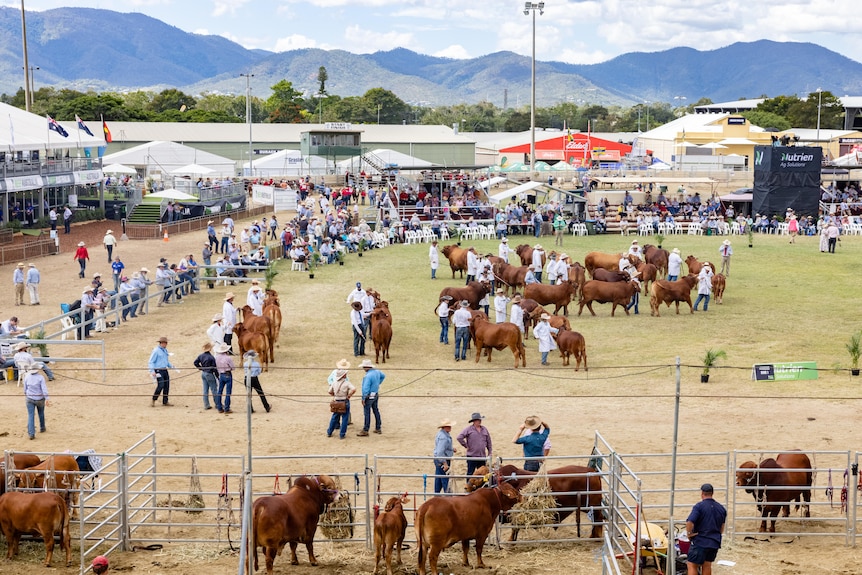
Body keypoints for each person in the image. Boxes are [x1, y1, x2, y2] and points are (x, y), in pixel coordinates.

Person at [685, 483, 727, 575]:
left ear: (702, 493)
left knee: (692, 564)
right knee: (707, 565)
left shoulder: (699, 506)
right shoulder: (721, 508)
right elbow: (722, 527)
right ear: (712, 493)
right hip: (714, 542)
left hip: (701, 540)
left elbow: (690, 522)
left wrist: (689, 534)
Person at [327, 359, 356, 439]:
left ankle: (329, 432)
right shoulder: (346, 383)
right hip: (344, 401)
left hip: (337, 400)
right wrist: (349, 395)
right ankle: (342, 434)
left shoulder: (334, 382)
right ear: (343, 375)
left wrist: (334, 395)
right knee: (345, 418)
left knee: (334, 417)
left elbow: (329, 391)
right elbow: (353, 389)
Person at [357, 359, 384, 436]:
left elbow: (365, 389)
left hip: (369, 396)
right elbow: (383, 376)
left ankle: (366, 429)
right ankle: (378, 427)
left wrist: (363, 398)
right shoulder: (377, 371)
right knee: (376, 410)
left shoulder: (368, 376)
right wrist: (378, 383)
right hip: (375, 393)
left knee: (367, 413)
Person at [23, 361, 50, 440]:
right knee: (41, 413)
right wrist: (47, 398)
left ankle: (31, 433)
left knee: (31, 415)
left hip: (29, 398)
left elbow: (25, 388)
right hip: (40, 398)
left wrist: (26, 394)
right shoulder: (40, 377)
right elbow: (44, 389)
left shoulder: (27, 376)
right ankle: (42, 427)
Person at [148, 336, 175, 407]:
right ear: (162, 343)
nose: (166, 344)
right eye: (165, 343)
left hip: (164, 369)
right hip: (158, 370)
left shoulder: (165, 350)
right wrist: (152, 371)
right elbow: (151, 361)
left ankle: (165, 401)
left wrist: (171, 366)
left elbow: (166, 361)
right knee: (161, 385)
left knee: (167, 385)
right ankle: (154, 399)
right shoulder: (156, 351)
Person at [433, 419, 457, 493]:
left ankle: (436, 495)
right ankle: (448, 497)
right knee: (445, 480)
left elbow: (441, 448)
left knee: (439, 479)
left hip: (439, 459)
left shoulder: (441, 434)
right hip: (443, 460)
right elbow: (440, 451)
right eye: (448, 426)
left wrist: (451, 449)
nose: (450, 427)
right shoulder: (444, 437)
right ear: (444, 427)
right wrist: (444, 463)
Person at [193, 342, 219, 410]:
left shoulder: (201, 356)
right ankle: (217, 404)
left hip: (203, 373)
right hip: (209, 374)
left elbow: (195, 363)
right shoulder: (211, 357)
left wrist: (201, 368)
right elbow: (214, 368)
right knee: (214, 389)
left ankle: (206, 405)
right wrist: (217, 376)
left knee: (205, 390)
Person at [213, 342, 234, 414]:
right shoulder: (228, 358)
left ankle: (219, 407)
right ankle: (227, 408)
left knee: (220, 391)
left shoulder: (216, 357)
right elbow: (233, 367)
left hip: (221, 374)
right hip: (228, 374)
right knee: (228, 392)